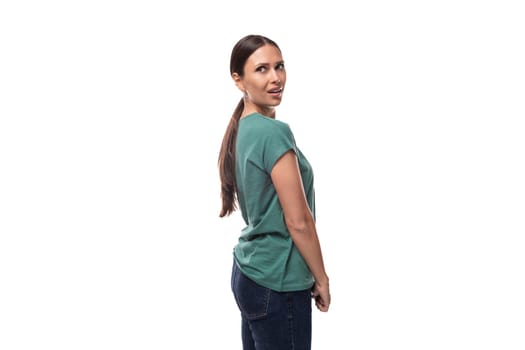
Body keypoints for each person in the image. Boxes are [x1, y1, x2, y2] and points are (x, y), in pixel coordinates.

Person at [218, 34, 330, 350]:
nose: (275, 78)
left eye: (279, 66)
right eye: (262, 69)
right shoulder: (273, 133)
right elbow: (299, 221)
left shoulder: (243, 126)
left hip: (250, 273)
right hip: (278, 280)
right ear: (238, 80)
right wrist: (321, 278)